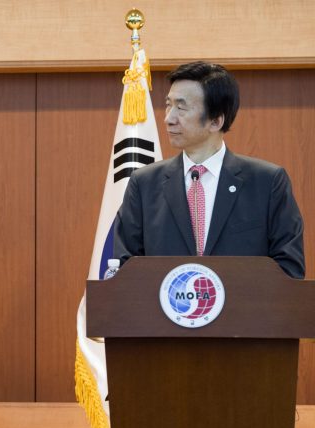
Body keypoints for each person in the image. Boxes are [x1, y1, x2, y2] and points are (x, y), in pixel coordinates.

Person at [113, 61, 304, 279]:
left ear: (216, 121)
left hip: (242, 312)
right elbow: (124, 269)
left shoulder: (267, 183)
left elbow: (289, 270)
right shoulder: (144, 183)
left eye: (181, 107)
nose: (168, 118)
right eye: (168, 105)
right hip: (164, 312)